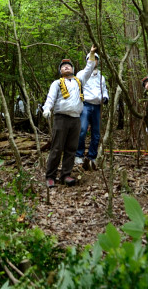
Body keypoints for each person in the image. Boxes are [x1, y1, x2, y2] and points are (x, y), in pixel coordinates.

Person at [42, 45, 97, 188]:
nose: (66, 67)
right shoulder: (57, 83)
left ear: (72, 69)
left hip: (75, 119)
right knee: (56, 148)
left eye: (68, 66)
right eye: (63, 66)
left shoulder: (79, 80)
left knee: (71, 148)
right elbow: (51, 97)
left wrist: (91, 53)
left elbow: (89, 68)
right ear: (60, 71)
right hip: (61, 118)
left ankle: (66, 175)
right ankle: (50, 176)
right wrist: (47, 108)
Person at [75, 52, 108, 170]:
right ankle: (79, 154)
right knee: (82, 129)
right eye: (91, 59)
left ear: (98, 61)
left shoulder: (101, 77)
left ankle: (92, 156)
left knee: (96, 132)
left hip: (97, 106)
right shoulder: (81, 74)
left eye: (96, 59)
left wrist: (105, 98)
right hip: (85, 105)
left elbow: (104, 89)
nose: (94, 61)